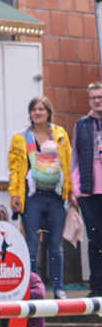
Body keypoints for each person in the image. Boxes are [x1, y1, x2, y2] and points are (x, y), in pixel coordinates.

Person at [9, 95, 73, 297]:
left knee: (55, 244)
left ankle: (59, 287)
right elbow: (15, 169)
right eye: (34, 109)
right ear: (30, 113)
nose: (37, 113)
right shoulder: (21, 137)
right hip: (32, 196)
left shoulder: (60, 134)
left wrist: (71, 191)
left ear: (48, 112)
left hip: (56, 196)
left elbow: (68, 163)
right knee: (32, 243)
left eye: (41, 109)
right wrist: (14, 194)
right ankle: (33, 287)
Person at [72, 83, 102, 292]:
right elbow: (75, 158)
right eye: (94, 97)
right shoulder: (82, 125)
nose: (97, 101)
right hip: (89, 191)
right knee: (95, 240)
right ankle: (97, 287)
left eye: (100, 97)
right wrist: (76, 189)